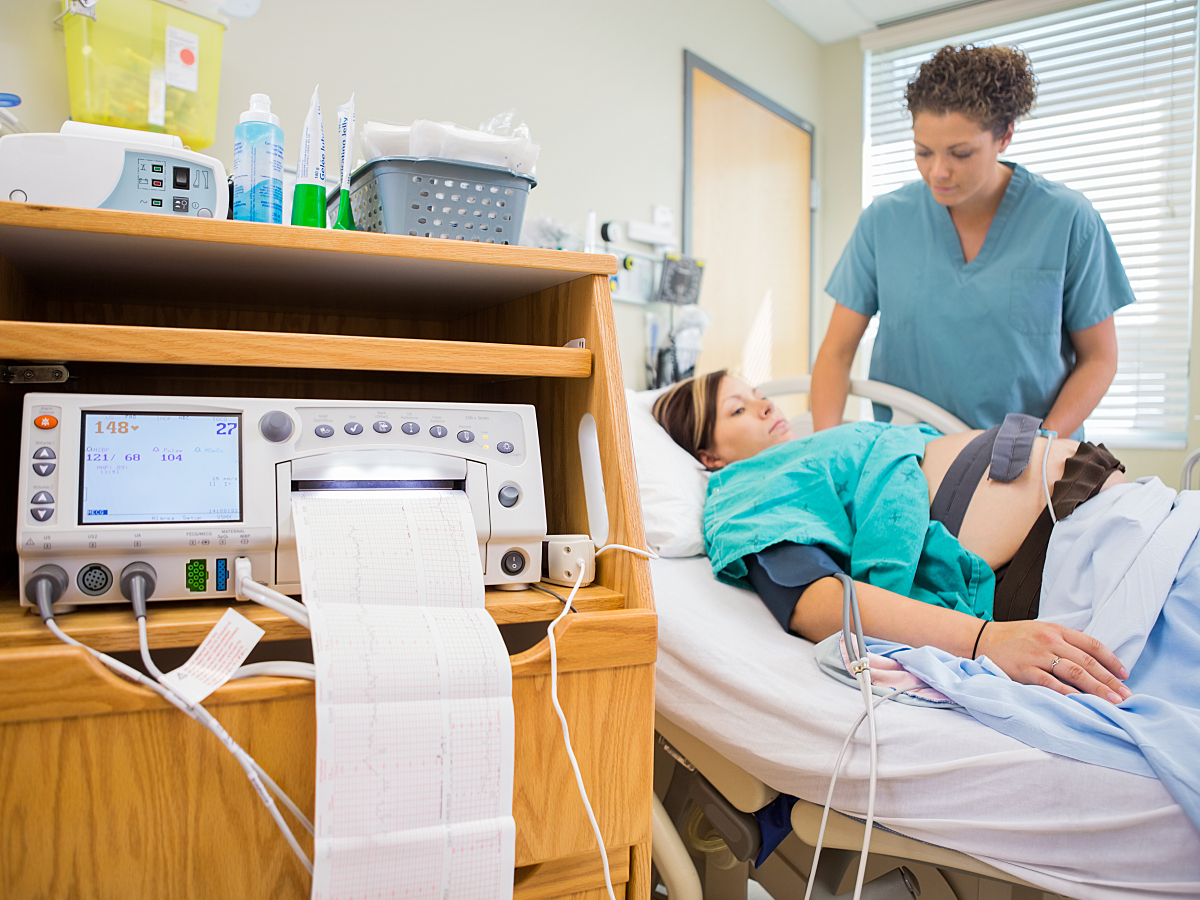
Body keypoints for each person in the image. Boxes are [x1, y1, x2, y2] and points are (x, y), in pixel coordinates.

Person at [652, 370, 1132, 706]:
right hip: (1041, 560)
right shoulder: (747, 493)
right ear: (709, 456)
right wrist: (986, 640)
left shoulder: (811, 453)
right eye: (739, 409)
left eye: (757, 393)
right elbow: (815, 601)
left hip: (1095, 502)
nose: (764, 404)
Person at [811, 45, 1136, 440]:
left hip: (1026, 463)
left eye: (960, 153)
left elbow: (1099, 359)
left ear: (1005, 136)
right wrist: (826, 449)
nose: (938, 172)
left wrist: (1038, 447)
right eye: (923, 152)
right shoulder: (884, 221)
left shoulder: (1067, 219)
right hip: (909, 462)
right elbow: (836, 353)